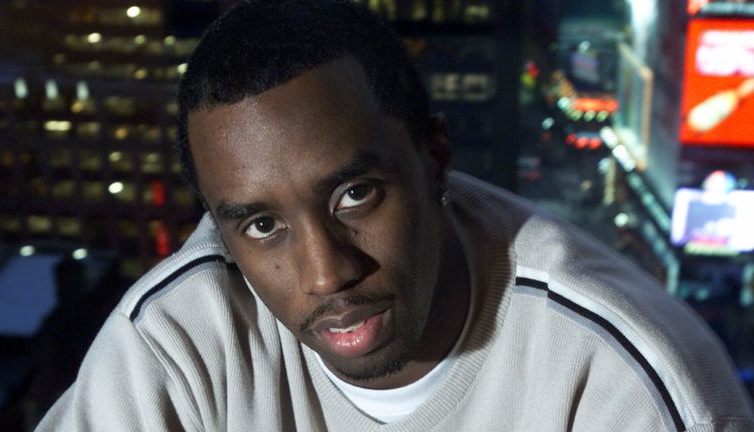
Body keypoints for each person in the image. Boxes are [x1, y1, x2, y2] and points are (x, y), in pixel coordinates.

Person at [37, 1, 754, 430]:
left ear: (434, 158)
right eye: (262, 226)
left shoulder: (620, 374)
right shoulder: (173, 345)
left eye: (355, 195)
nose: (328, 274)